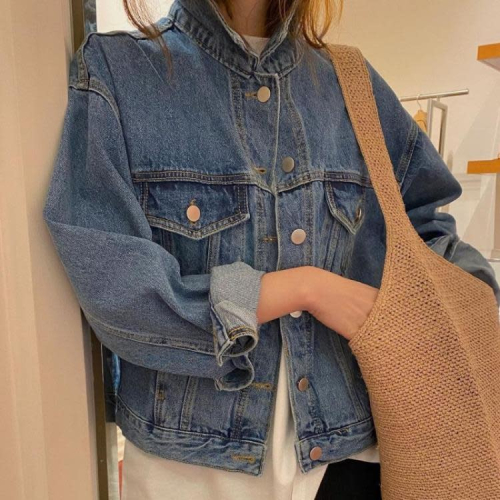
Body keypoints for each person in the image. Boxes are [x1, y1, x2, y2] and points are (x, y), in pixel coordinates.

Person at [42, 0, 500, 498]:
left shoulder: (350, 81)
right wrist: (306, 288)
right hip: (191, 467)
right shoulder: (119, 70)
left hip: (350, 456)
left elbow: (426, 229)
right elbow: (117, 287)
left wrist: (474, 304)